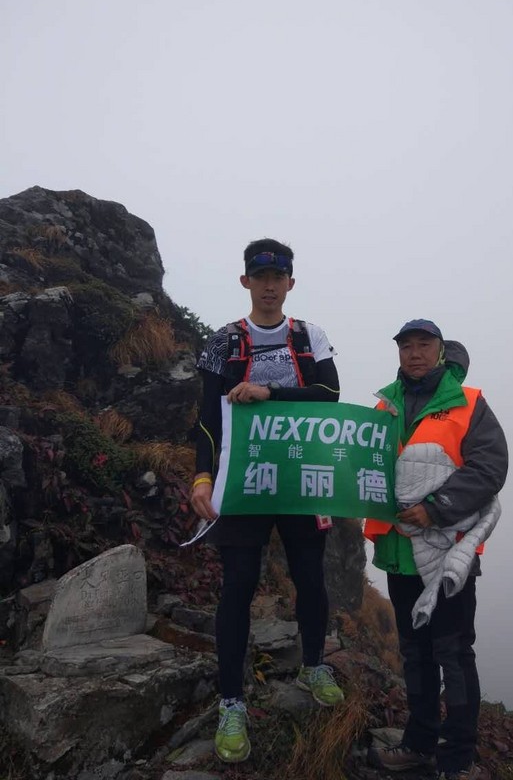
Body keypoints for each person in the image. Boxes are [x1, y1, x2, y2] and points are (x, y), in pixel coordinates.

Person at [190, 238, 344, 765]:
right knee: (237, 585)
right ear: (246, 282)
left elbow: (330, 396)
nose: (270, 285)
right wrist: (202, 477)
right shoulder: (222, 342)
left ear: (291, 284)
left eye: (279, 278)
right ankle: (231, 702)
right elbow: (208, 417)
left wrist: (268, 392)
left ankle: (314, 663)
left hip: (301, 477)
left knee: (310, 577)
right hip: (244, 478)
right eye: (260, 276)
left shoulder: (310, 336)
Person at [365, 320, 508, 780]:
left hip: (448, 555)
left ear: (441, 351)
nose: (414, 353)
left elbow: (490, 467)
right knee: (414, 653)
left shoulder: (469, 404)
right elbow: (359, 463)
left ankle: (459, 759)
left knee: (453, 653)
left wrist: (436, 508)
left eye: (423, 345)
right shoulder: (384, 407)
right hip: (397, 550)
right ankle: (419, 744)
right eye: (406, 346)